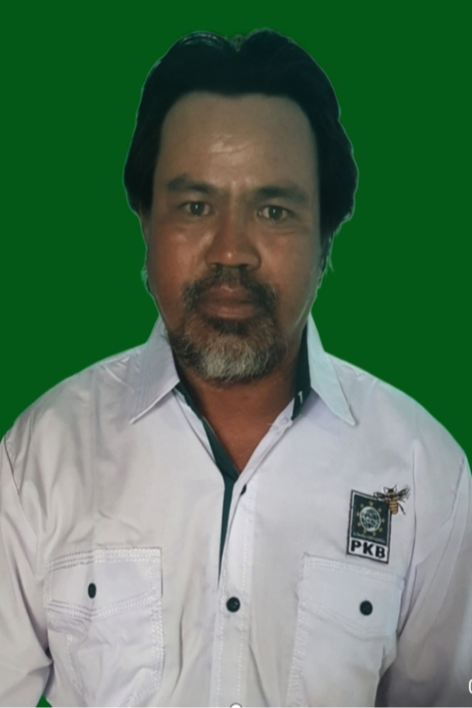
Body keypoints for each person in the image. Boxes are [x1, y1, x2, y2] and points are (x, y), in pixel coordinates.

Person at [0, 30, 471, 708]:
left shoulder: (423, 473)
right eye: (195, 207)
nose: (230, 250)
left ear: (326, 237)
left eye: (274, 211)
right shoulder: (41, 459)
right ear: (144, 220)